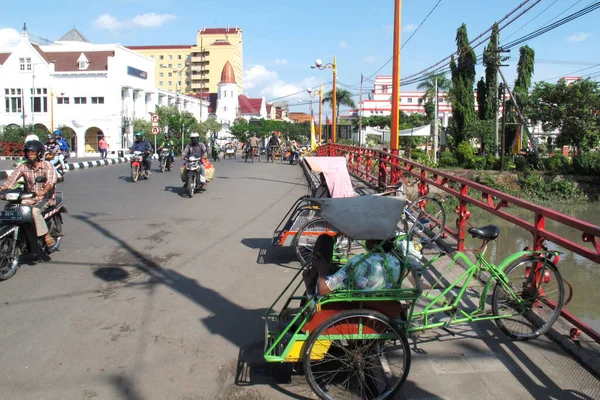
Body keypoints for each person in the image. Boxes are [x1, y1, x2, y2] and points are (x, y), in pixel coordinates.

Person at [1, 140, 58, 254]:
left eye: (32, 152)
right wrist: (3, 188)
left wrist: (44, 191)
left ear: (39, 153)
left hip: (46, 197)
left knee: (35, 211)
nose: (29, 154)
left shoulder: (47, 165)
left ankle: (46, 236)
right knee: (13, 208)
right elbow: (11, 180)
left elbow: (51, 181)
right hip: (29, 197)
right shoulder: (23, 166)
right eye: (27, 152)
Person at [303, 234, 401, 296]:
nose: (365, 240)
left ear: (375, 244)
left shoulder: (358, 263)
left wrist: (321, 273)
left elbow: (323, 290)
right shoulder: (396, 262)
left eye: (368, 238)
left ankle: (310, 289)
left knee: (324, 240)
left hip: (356, 303)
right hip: (381, 300)